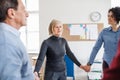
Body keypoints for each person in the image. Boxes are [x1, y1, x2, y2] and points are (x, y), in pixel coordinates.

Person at [0, 0, 34, 80]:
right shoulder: (7, 42)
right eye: (23, 10)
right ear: (11, 13)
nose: (27, 14)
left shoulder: (9, 37)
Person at [84, 7, 120, 72]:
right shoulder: (104, 32)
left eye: (112, 16)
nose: (109, 18)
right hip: (107, 63)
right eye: (108, 16)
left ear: (117, 17)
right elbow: (96, 48)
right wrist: (89, 63)